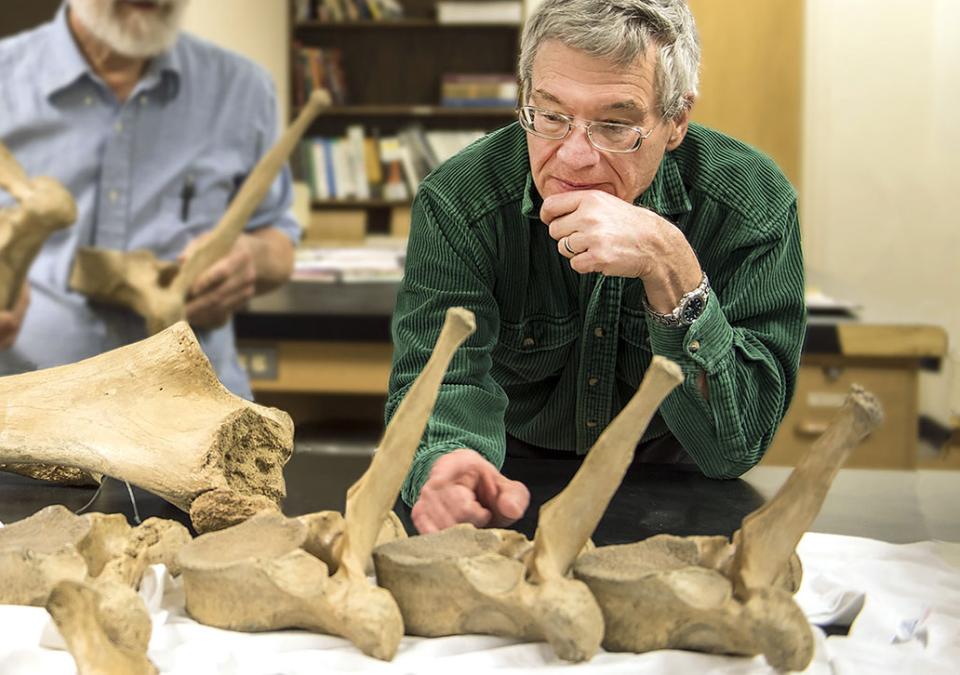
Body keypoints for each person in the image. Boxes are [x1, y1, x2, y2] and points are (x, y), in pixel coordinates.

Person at [387, 0, 806, 534]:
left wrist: (669, 265)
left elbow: (734, 447)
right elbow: (445, 380)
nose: (574, 157)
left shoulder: (752, 201)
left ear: (676, 121)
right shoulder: (459, 201)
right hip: (508, 479)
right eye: (552, 116)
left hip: (675, 490)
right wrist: (448, 466)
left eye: (614, 125)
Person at [0, 0, 299, 398]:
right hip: (24, 417)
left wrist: (252, 258)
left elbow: (277, 239)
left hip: (191, 416)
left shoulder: (244, 89)